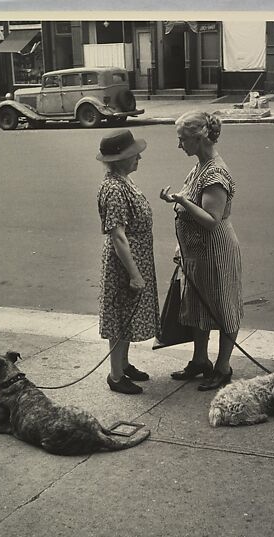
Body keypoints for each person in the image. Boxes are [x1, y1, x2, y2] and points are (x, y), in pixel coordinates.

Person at [159, 111, 244, 392]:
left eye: (182, 139)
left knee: (222, 308)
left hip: (215, 251)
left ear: (199, 138)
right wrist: (178, 203)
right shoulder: (200, 166)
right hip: (196, 252)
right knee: (198, 307)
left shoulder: (215, 173)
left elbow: (211, 220)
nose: (179, 145)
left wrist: (182, 200)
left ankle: (222, 366)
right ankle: (199, 360)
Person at [96, 129, 160, 394]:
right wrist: (134, 274)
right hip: (124, 263)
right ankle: (115, 375)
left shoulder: (123, 181)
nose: (139, 159)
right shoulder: (113, 188)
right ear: (120, 158)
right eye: (134, 155)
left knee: (128, 313)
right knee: (121, 316)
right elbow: (118, 236)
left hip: (136, 258)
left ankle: (123, 364)